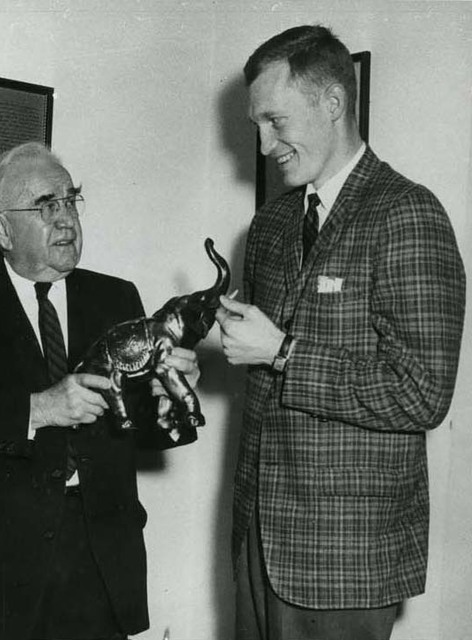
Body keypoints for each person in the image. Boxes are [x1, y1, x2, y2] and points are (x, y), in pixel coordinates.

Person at [215, 25, 465, 640]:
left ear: (332, 102)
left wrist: (282, 352)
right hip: (258, 540)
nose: (264, 143)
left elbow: (422, 394)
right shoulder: (271, 224)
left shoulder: (407, 213)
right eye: (257, 125)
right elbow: (263, 364)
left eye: (275, 121)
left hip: (344, 559)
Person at [0, 141, 199, 640]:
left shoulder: (116, 298)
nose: (66, 219)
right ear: (2, 229)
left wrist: (171, 396)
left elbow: (143, 429)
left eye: (70, 200)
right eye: (45, 206)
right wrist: (37, 409)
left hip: (101, 566)